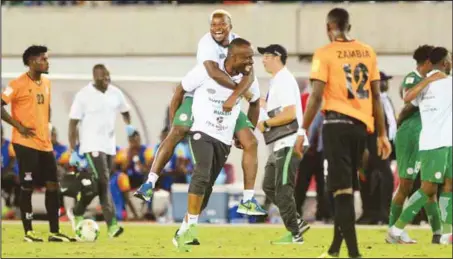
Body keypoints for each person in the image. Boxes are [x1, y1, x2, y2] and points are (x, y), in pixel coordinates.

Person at [135, 10, 266, 216]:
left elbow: (251, 83)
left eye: (221, 24)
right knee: (177, 131)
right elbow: (212, 72)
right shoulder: (206, 44)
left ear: (230, 25)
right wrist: (172, 121)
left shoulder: (240, 47)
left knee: (251, 142)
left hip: (227, 106)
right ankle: (149, 183)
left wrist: (246, 123)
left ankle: (247, 200)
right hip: (201, 96)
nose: (217, 29)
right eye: (213, 25)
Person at [293, 8, 392, 258]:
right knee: (345, 189)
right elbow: (376, 96)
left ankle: (354, 253)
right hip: (361, 128)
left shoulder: (324, 53)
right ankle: (335, 249)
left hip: (336, 125)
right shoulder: (367, 51)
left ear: (329, 27)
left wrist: (302, 131)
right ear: (348, 26)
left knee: (341, 191)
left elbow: (315, 96)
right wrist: (381, 134)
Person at [171, 38, 258, 251]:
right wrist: (176, 125)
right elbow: (179, 90)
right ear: (233, 57)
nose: (250, 61)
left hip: (224, 138)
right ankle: (191, 227)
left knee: (207, 189)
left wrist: (247, 130)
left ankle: (183, 230)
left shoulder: (247, 80)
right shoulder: (206, 71)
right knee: (201, 174)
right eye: (247, 57)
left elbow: (255, 102)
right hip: (201, 131)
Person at [1, 45, 74, 242]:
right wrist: (19, 126)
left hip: (45, 144)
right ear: (32, 61)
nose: (47, 62)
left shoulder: (47, 83)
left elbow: (46, 106)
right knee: (27, 186)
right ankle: (29, 232)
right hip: (25, 143)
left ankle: (54, 232)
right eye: (43, 59)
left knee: (53, 185)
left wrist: (47, 125)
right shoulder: (16, 84)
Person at [387, 47, 452, 245]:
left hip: (443, 140)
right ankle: (395, 229)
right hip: (420, 139)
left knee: (444, 185)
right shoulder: (421, 80)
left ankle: (442, 234)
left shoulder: (442, 82)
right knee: (417, 186)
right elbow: (407, 101)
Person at [67, 64, 135, 238]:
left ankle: (77, 211)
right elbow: (73, 124)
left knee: (98, 186)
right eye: (101, 78)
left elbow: (125, 111)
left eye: (107, 77)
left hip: (109, 147)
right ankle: (112, 225)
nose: (105, 81)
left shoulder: (115, 93)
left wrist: (129, 126)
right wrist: (73, 150)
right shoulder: (83, 95)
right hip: (91, 146)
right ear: (94, 78)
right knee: (104, 182)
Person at [256, 44, 310, 244]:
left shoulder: (284, 80)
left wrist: (266, 123)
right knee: (269, 185)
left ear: (277, 57)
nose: (263, 60)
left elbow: (288, 113)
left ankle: (295, 235)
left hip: (289, 142)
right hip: (280, 143)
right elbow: (275, 109)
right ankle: (296, 221)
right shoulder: (277, 81)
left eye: (267, 56)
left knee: (283, 188)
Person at [357, 71, 396, 225]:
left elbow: (391, 123)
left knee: (382, 177)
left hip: (389, 143)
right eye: (382, 81)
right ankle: (371, 212)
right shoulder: (369, 101)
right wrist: (365, 147)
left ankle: (381, 212)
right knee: (369, 177)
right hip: (373, 143)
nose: (386, 83)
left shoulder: (387, 99)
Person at [1, 124, 19, 213]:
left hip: (6, 173)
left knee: (15, 179)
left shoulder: (9, 145)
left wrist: (4, 172)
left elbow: (12, 162)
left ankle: (13, 206)